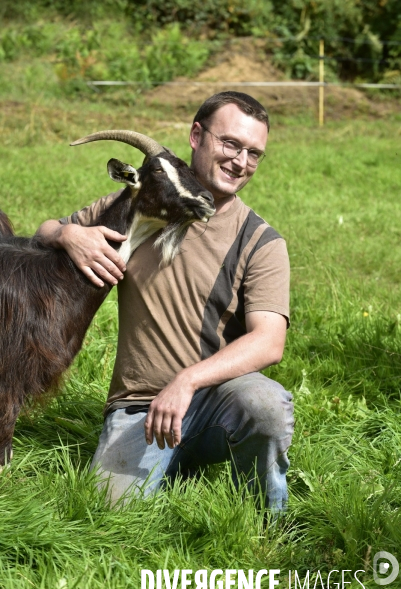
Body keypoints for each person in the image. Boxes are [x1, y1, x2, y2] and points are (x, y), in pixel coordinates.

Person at [37, 91, 294, 511]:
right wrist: (67, 235)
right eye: (230, 144)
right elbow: (44, 231)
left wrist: (187, 380)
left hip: (216, 400)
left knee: (265, 404)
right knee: (106, 514)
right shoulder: (141, 203)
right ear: (197, 135)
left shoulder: (261, 241)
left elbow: (269, 342)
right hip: (140, 407)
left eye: (254, 153)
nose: (241, 162)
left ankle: (267, 517)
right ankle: (172, 464)